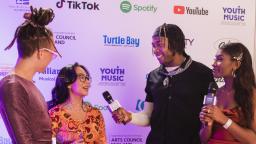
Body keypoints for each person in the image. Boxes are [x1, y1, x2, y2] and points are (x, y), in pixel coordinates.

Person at [112, 23, 215, 144]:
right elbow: (148, 116)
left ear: (175, 44)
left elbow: (210, 119)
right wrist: (130, 117)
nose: (155, 50)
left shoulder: (202, 74)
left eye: (160, 45)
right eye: (153, 46)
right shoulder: (153, 76)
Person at [0, 6, 60, 143]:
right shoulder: (13, 86)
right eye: (53, 53)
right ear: (41, 53)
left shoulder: (25, 84)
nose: (52, 58)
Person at [199, 42, 256, 144]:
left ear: (236, 64)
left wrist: (224, 120)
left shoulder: (251, 95)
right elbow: (203, 139)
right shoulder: (215, 93)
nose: (213, 63)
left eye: (220, 59)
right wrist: (207, 125)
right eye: (215, 59)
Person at [48, 63, 107, 144]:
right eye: (82, 78)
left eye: (87, 78)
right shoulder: (54, 115)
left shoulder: (96, 114)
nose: (87, 82)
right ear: (69, 83)